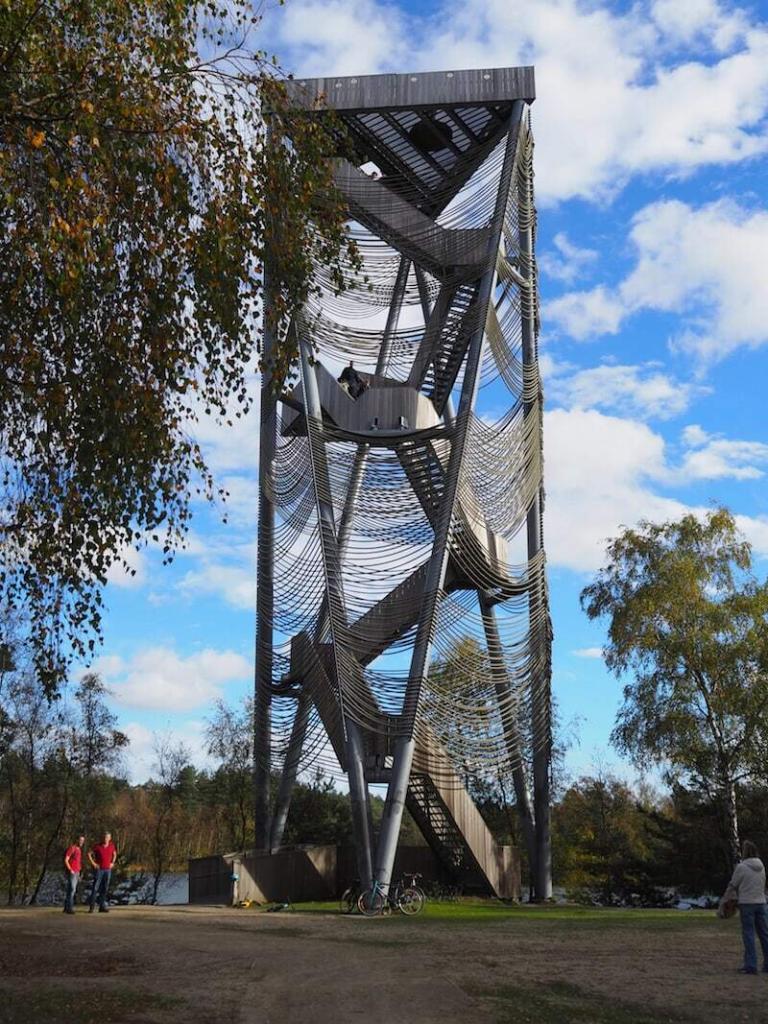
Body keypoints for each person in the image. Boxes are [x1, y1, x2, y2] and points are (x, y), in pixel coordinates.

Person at [724, 839, 768, 974]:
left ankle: (751, 965)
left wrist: (726, 899)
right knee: (764, 934)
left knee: (748, 934)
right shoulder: (761, 866)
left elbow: (733, 884)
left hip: (747, 903)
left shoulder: (741, 867)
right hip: (761, 903)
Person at [88, 831, 117, 913]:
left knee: (105, 888)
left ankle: (102, 906)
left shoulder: (111, 846)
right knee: (95, 888)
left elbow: (114, 854)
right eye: (105, 837)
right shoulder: (98, 846)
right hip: (99, 870)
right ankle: (92, 907)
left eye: (107, 837)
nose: (106, 839)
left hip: (108, 870)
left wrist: (112, 863)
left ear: (110, 838)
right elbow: (89, 854)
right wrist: (94, 863)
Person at [63, 834, 85, 914]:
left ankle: (66, 907)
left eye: (83, 841)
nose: (81, 842)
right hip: (72, 872)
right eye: (80, 840)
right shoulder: (72, 848)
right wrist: (70, 869)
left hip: (77, 871)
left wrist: (80, 871)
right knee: (72, 890)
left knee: (70, 890)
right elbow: (66, 859)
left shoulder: (79, 849)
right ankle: (70, 908)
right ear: (77, 840)